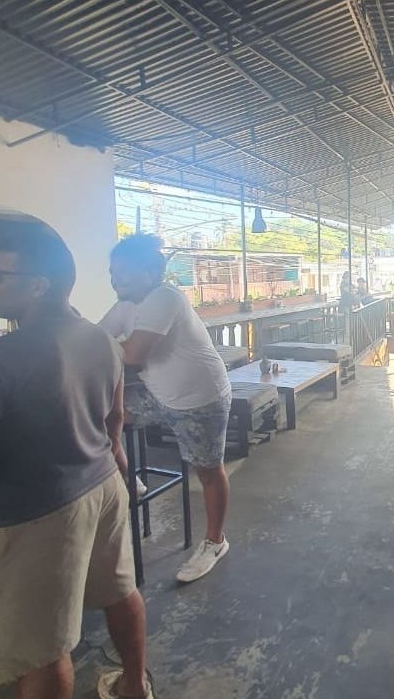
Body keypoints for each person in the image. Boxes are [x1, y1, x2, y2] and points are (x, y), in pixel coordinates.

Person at [0, 212, 151, 699]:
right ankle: (134, 686)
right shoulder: (98, 337)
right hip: (102, 484)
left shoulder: (2, 359)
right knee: (121, 591)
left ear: (38, 285)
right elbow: (115, 421)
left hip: (37, 512)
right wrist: (114, 463)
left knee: (42, 648)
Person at [99, 234, 232, 584]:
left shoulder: (164, 297)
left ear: (150, 272)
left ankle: (215, 542)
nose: (115, 280)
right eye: (112, 273)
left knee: (207, 471)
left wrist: (102, 347)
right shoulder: (125, 305)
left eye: (123, 273)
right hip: (158, 395)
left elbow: (133, 354)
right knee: (97, 412)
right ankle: (131, 481)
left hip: (199, 399)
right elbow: (96, 339)